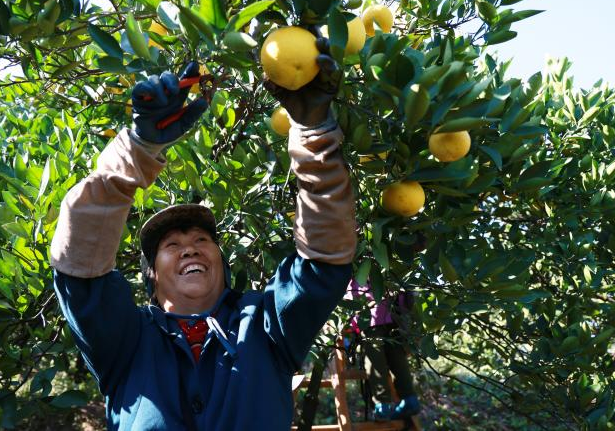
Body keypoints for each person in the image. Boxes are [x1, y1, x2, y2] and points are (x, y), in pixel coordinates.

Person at [50, 40, 357, 430]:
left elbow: (324, 259)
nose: (189, 250)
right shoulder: (127, 341)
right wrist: (137, 151)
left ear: (220, 262)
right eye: (172, 245)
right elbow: (78, 268)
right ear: (151, 274)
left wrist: (314, 134)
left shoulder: (265, 324)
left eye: (201, 241)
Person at [347, 281, 421, 421]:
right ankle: (409, 400)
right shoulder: (392, 262)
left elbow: (352, 292)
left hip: (370, 316)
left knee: (375, 361)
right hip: (396, 314)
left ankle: (383, 407)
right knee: (398, 357)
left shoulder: (358, 264)